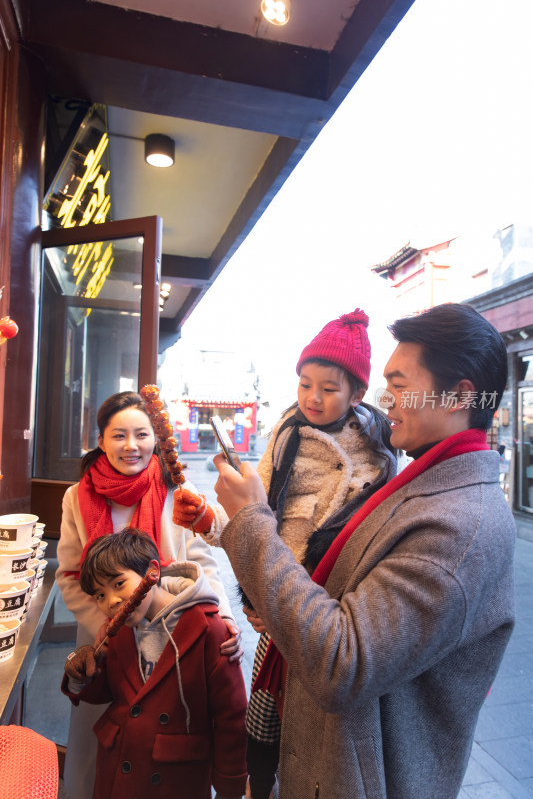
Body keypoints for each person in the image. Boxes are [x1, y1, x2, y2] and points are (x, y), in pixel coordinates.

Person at [212, 303, 516, 799]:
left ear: (460, 396)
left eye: (398, 384)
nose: (385, 398)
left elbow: (342, 661)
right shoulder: (424, 483)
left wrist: (249, 523)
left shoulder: (459, 527)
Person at [173, 309, 398, 799]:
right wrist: (210, 520)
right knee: (261, 733)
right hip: (273, 611)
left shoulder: (380, 454)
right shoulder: (284, 436)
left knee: (317, 749)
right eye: (304, 384)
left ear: (357, 393)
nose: (312, 398)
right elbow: (256, 523)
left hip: (329, 622)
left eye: (329, 388)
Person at [56, 390, 243, 799]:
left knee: (169, 737)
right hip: (105, 638)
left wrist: (224, 615)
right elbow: (70, 574)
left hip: (175, 634)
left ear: (155, 437)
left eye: (141, 434)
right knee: (101, 740)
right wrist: (112, 630)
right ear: (101, 439)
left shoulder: (176, 487)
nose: (131, 445)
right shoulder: (78, 496)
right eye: (118, 435)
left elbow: (202, 559)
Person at [62, 529, 248, 799]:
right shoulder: (119, 630)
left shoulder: (208, 629)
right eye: (100, 595)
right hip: (118, 766)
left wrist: (230, 786)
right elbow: (112, 692)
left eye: (118, 584)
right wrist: (82, 674)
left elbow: (231, 716)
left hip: (175, 776)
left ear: (152, 571)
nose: (112, 602)